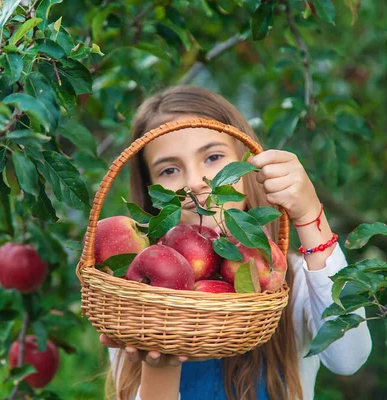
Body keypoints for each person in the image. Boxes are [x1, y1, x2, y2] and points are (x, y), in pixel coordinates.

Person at [99, 85, 372, 400]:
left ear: (249, 169)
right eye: (169, 170)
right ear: (151, 192)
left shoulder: (288, 282)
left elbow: (349, 357)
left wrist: (309, 214)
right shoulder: (137, 297)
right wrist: (160, 365)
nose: (194, 183)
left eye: (213, 157)